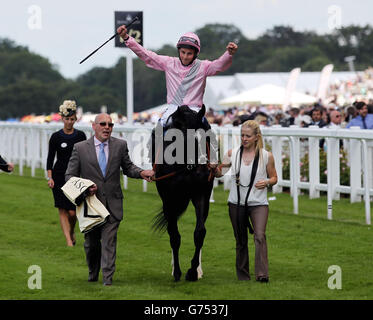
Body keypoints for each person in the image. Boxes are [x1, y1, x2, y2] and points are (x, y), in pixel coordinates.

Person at [65, 113, 154, 286]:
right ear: (94, 126)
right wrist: (85, 188)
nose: (107, 127)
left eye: (110, 125)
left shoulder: (120, 145)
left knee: (109, 241)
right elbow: (69, 176)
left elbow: (128, 168)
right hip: (90, 205)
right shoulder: (80, 148)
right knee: (91, 244)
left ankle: (107, 279)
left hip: (113, 203)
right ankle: (93, 273)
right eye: (103, 124)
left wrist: (142, 173)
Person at [116, 25, 238, 128]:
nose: (185, 56)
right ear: (178, 51)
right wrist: (127, 38)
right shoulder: (169, 63)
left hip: (195, 111)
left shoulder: (204, 66)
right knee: (157, 132)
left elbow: (219, 65)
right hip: (173, 110)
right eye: (183, 52)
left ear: (195, 54)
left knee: (208, 132)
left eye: (189, 53)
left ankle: (210, 157)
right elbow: (146, 55)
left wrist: (229, 54)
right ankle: (154, 157)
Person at [215, 120, 277, 282]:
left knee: (260, 236)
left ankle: (262, 274)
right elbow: (219, 173)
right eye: (242, 135)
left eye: (248, 136)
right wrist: (213, 168)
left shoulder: (266, 156)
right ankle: (243, 275)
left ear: (257, 137)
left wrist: (267, 182)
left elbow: (274, 177)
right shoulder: (232, 153)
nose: (244, 138)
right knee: (240, 239)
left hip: (259, 203)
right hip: (236, 203)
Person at [46, 100, 87, 247]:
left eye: (72, 119)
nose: (69, 122)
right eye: (67, 119)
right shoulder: (56, 137)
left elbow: (85, 156)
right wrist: (50, 177)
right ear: (62, 119)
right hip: (58, 176)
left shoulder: (80, 136)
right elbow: (50, 159)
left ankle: (71, 231)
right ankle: (69, 241)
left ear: (75, 119)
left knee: (72, 212)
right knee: (62, 209)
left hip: (74, 176)